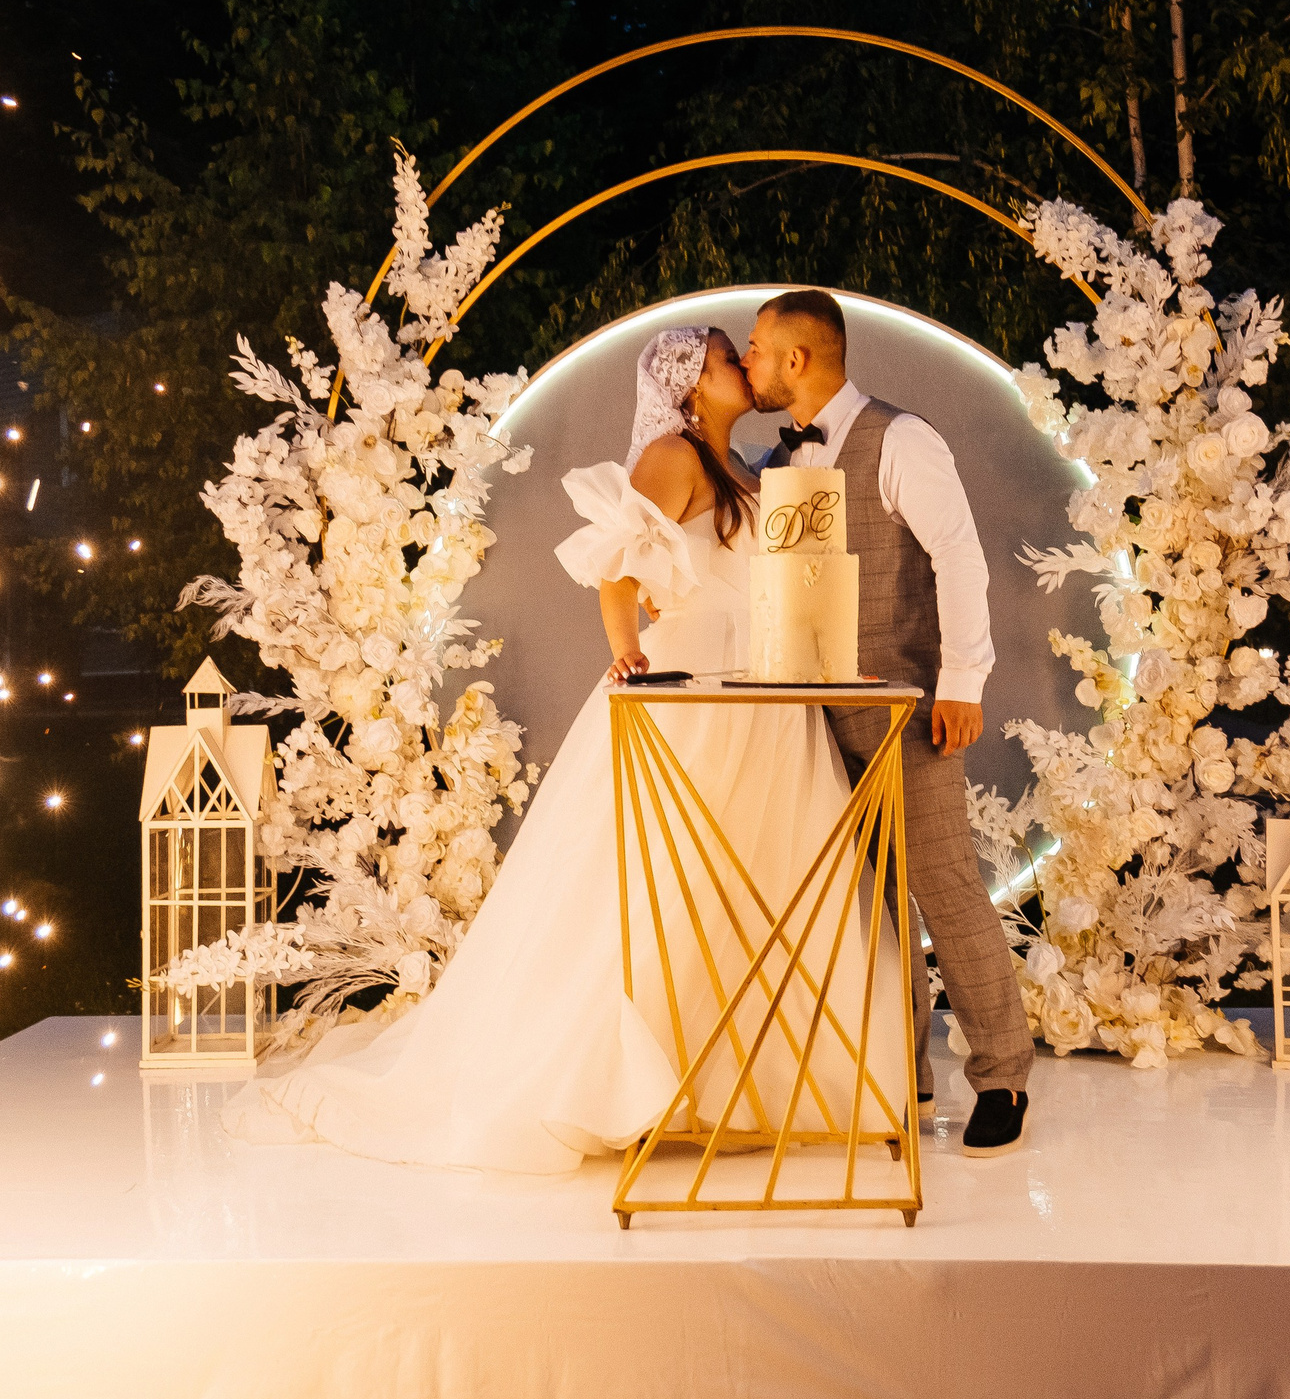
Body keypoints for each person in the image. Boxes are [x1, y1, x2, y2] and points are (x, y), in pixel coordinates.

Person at [223, 327, 907, 1173]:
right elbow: (617, 564)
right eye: (730, 359)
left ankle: (757, 1084)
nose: (743, 368)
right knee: (675, 884)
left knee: (760, 877)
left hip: (765, 696)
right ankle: (621, 1083)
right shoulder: (673, 454)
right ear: (693, 383)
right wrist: (628, 653)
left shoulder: (742, 469)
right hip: (694, 695)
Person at [745, 289, 1034, 1157]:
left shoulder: (900, 438)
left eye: (759, 348)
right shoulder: (775, 457)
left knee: (945, 890)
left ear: (798, 358)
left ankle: (1004, 1077)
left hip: (904, 706)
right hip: (808, 715)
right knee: (868, 908)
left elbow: (960, 555)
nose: (751, 360)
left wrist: (963, 680)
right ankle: (899, 1075)